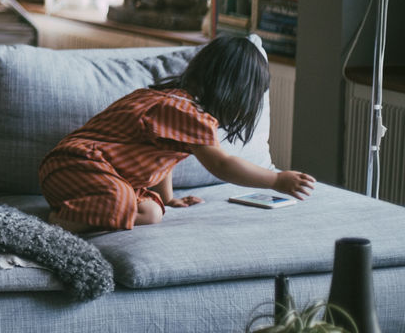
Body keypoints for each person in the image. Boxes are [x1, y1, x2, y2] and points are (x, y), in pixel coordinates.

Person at [38, 34, 315, 233]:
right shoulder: (185, 111)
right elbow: (222, 164)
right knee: (137, 208)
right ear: (238, 91)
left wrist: (169, 198)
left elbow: (163, 157)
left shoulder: (172, 101)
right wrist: (276, 180)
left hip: (81, 173)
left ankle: (84, 211)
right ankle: (61, 221)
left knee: (154, 209)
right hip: (75, 166)